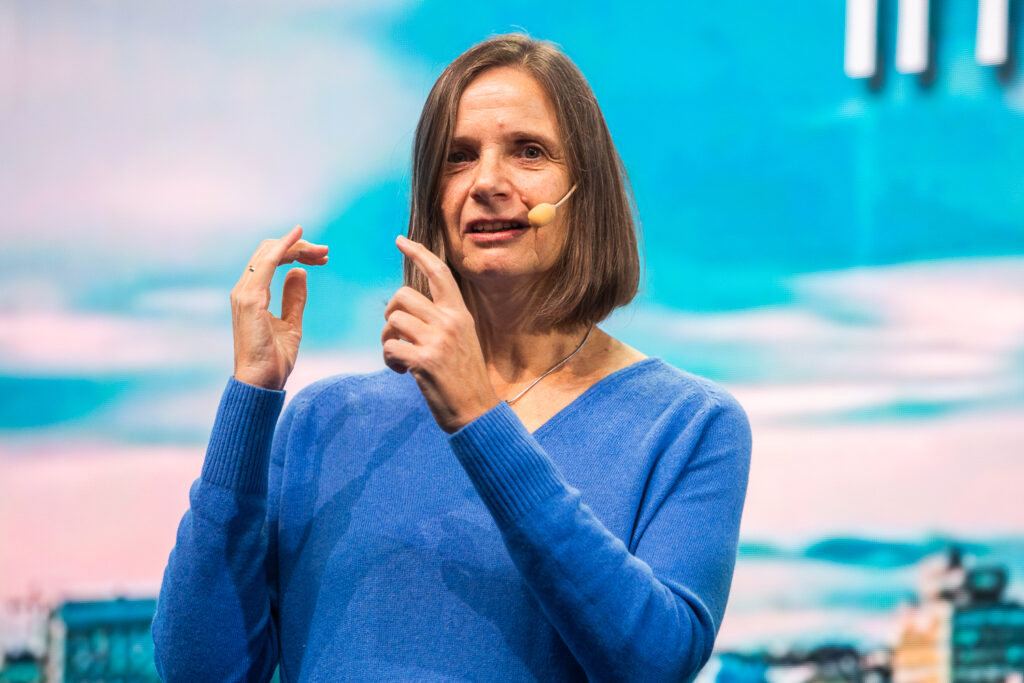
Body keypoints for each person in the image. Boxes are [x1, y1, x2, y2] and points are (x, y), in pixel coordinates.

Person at [152, 34, 751, 682]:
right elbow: (198, 670)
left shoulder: (690, 424)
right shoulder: (321, 421)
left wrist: (479, 418)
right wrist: (251, 398)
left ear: (587, 190)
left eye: (528, 151)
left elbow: (656, 662)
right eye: (458, 157)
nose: (487, 182)